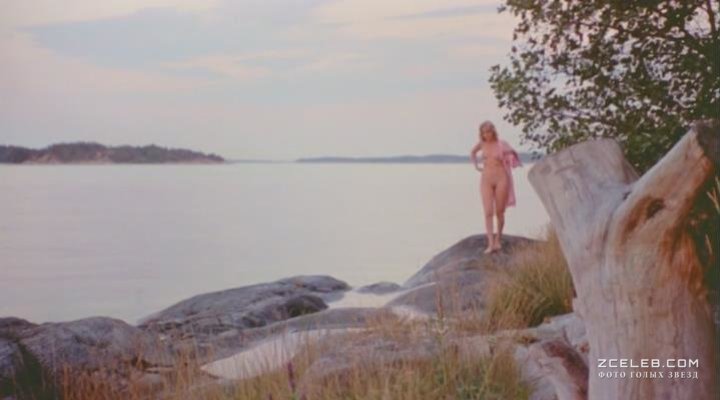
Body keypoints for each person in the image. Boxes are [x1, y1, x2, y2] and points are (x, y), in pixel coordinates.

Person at [470, 121, 522, 254]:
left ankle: (498, 238)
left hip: (501, 178)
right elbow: (473, 152)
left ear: (493, 131)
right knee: (488, 212)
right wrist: (476, 166)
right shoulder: (481, 144)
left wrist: (510, 155)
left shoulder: (501, 143)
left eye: (488, 131)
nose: (486, 135)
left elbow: (515, 154)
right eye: (484, 132)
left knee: (500, 212)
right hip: (486, 179)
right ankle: (490, 243)